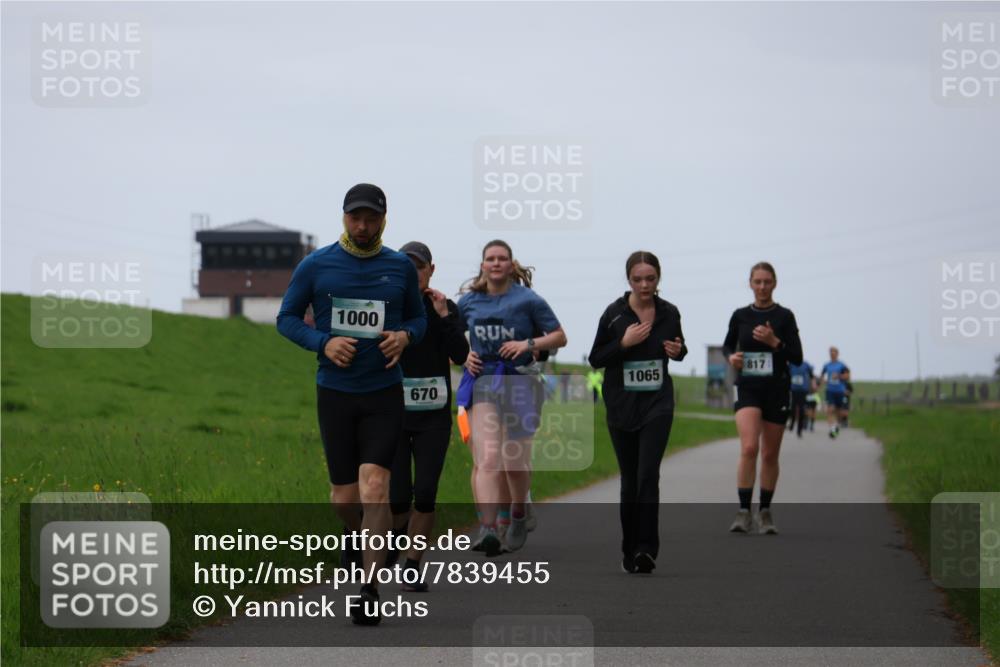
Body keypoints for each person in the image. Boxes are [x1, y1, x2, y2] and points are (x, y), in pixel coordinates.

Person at [276, 183, 426, 625]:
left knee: (375, 486)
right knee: (344, 498)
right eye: (355, 218)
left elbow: (417, 319)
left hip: (384, 392)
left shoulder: (399, 267)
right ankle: (355, 531)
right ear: (343, 217)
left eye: (371, 219)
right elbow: (286, 319)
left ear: (383, 220)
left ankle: (369, 588)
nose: (362, 226)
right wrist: (323, 342)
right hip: (336, 393)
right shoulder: (316, 265)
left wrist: (405, 336)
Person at [456, 240, 567, 556]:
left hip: (519, 381)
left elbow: (560, 336)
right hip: (484, 381)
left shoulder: (527, 300)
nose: (496, 263)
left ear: (511, 264)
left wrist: (527, 344)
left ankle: (518, 511)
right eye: (490, 258)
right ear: (482, 265)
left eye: (501, 258)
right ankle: (488, 528)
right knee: (489, 458)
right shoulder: (470, 302)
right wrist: (463, 354)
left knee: (514, 463)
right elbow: (452, 335)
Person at [589, 251, 687, 574]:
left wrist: (679, 351)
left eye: (650, 279)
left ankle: (646, 549)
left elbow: (679, 347)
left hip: (658, 403)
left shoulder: (669, 312)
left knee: (648, 474)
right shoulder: (614, 314)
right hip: (622, 404)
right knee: (630, 480)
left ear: (659, 278)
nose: (644, 285)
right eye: (638, 279)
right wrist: (624, 343)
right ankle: (629, 550)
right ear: (628, 279)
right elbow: (596, 358)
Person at [388, 241, 469, 592]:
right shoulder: (388, 307)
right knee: (398, 497)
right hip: (393, 414)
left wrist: (444, 316)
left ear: (431, 270)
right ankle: (394, 539)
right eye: (406, 267)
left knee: (425, 493)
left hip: (433, 416)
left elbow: (461, 355)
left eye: (419, 267)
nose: (413, 273)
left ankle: (412, 564)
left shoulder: (445, 308)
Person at [722, 262, 803, 535]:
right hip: (748, 387)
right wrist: (731, 358)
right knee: (749, 448)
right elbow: (727, 346)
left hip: (776, 389)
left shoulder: (785, 317)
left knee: (769, 454)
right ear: (750, 284)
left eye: (767, 282)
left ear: (775, 283)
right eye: (757, 281)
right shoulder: (740, 315)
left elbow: (797, 357)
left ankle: (765, 511)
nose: (762, 287)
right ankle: (744, 511)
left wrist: (774, 342)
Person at [819, 347, 851, 439]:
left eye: (834, 353)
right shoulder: (826, 365)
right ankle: (832, 429)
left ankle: (837, 426)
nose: (832, 354)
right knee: (830, 410)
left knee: (839, 413)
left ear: (837, 354)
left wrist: (839, 376)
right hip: (830, 390)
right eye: (831, 353)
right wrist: (823, 381)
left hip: (840, 391)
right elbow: (822, 375)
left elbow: (848, 376)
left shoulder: (841, 365)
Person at [787, 360, 814, 438]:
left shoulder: (806, 365)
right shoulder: (791, 364)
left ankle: (799, 429)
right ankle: (792, 424)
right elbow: (787, 374)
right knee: (792, 408)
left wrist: (812, 385)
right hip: (793, 390)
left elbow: (811, 376)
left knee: (802, 409)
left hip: (803, 390)